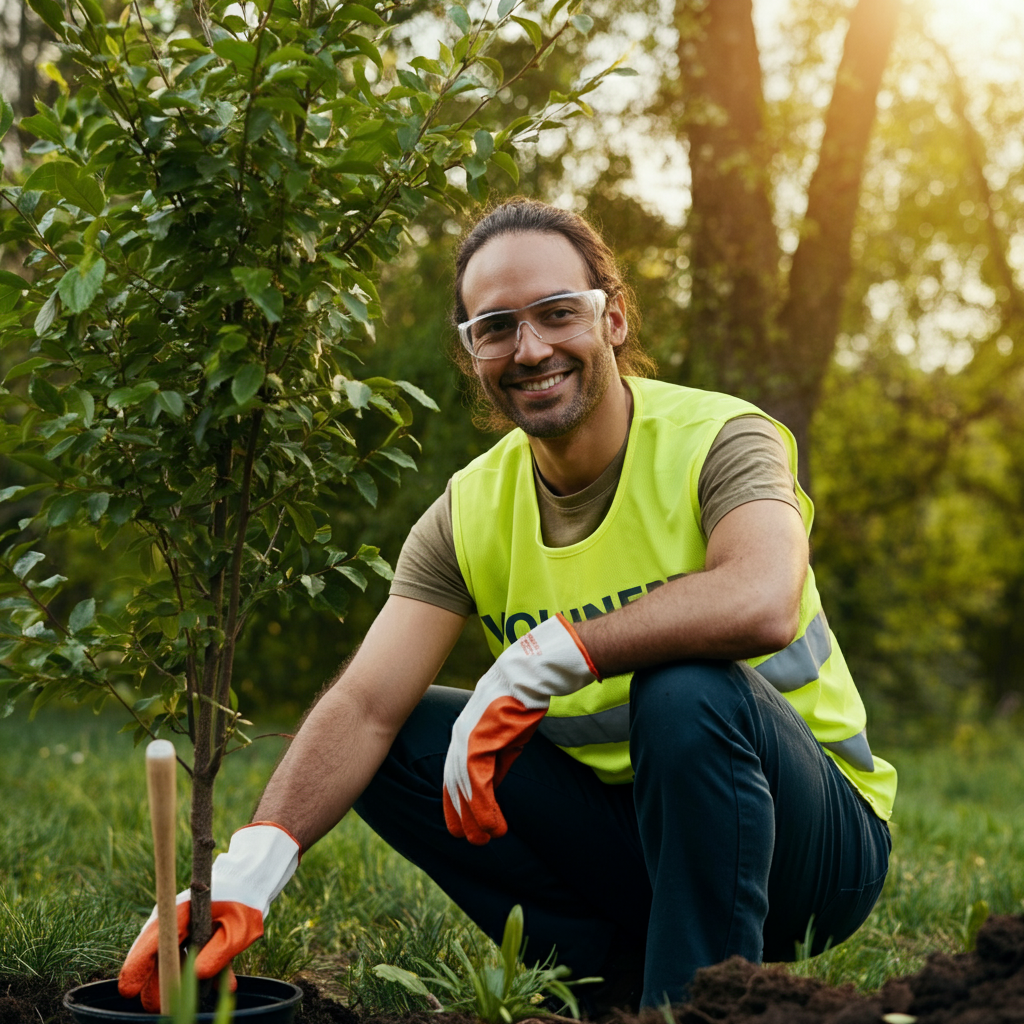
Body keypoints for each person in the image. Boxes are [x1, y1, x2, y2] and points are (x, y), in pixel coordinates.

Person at [119, 199, 896, 1015]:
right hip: (641, 846)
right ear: (471, 353)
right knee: (405, 741)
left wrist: (544, 656)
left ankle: (698, 1004)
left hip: (811, 851)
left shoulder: (721, 438)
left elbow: (761, 598)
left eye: (559, 314)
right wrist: (249, 869)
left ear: (615, 319)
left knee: (685, 688)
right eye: (496, 327)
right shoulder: (470, 512)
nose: (530, 349)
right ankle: (615, 978)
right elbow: (363, 706)